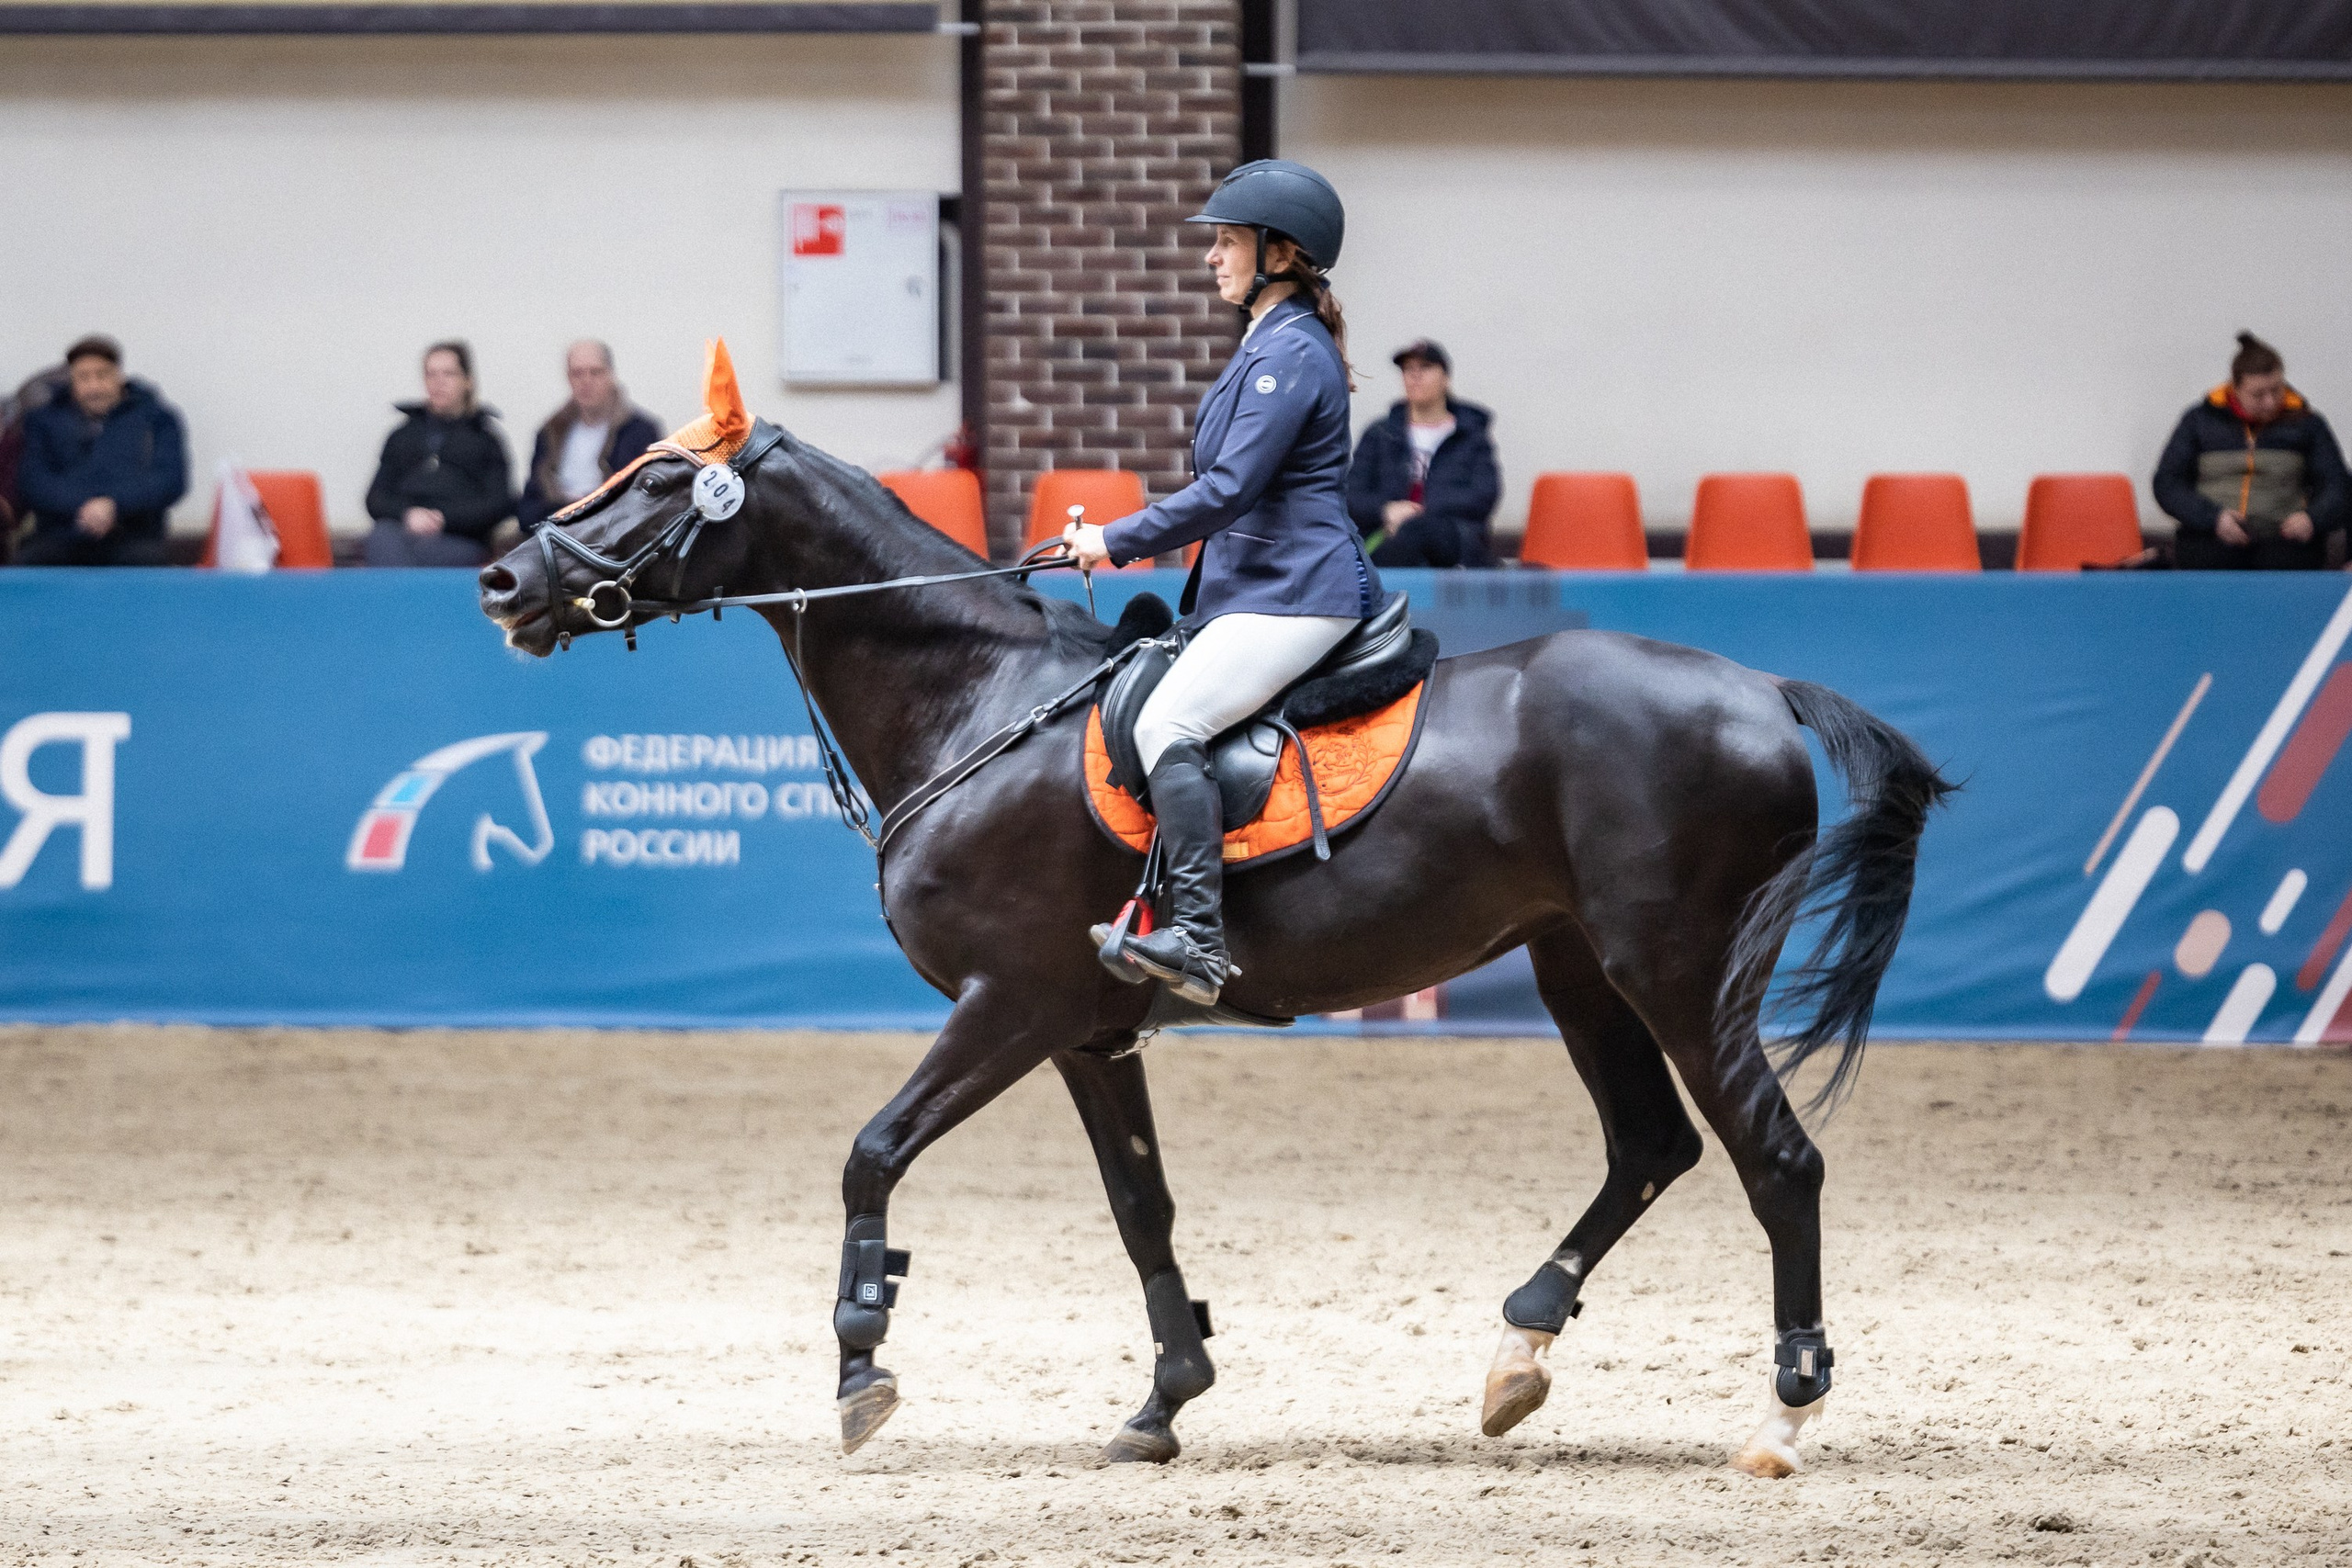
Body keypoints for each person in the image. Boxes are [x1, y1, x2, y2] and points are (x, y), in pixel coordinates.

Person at [1062, 159, 1381, 1007]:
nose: (1212, 256)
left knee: (1171, 718)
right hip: (1258, 585)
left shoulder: (1291, 351)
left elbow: (1229, 489)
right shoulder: (1267, 343)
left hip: (1298, 588)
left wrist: (1113, 539)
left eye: (1229, 241)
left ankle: (1201, 942)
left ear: (1281, 253)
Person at [2154, 332, 2348, 570]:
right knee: (2204, 558)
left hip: (2284, 541)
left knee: (2292, 562)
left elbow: (2337, 485)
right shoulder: (2199, 421)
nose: (2270, 402)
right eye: (2258, 395)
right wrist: (2213, 518)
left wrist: (2312, 519)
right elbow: (2167, 483)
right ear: (2235, 388)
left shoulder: (2308, 424)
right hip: (2211, 538)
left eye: (2277, 390)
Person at [11, 336, 187, 567]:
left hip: (134, 537)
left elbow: (169, 480)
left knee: (149, 566)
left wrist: (113, 505)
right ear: (72, 382)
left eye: (102, 375)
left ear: (119, 376)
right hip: (60, 536)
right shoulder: (43, 421)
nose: (94, 387)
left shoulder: (157, 419)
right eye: (84, 377)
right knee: (30, 565)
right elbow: (34, 481)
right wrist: (84, 507)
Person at [1345, 338, 1501, 567]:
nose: (1415, 375)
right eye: (1408, 369)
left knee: (1419, 530)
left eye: (1425, 367)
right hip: (1387, 536)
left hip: (1452, 538)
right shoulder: (1380, 434)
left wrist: (1419, 511)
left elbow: (1484, 494)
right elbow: (1351, 495)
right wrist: (1386, 510)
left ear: (1446, 378)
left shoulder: (1470, 434)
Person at [363, 340, 514, 567]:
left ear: (467, 381)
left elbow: (499, 502)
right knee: (381, 540)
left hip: (459, 536)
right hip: (400, 530)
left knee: (429, 556)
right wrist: (408, 515)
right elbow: (376, 498)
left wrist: (444, 519)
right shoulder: (402, 435)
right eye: (431, 374)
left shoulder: (486, 440)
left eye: (448, 374)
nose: (438, 382)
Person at [516, 340, 661, 534]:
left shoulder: (639, 432)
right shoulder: (550, 432)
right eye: (578, 373)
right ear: (568, 378)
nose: (586, 381)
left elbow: (645, 501)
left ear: (611, 375)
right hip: (555, 530)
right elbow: (531, 499)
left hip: (612, 536)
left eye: (595, 372)